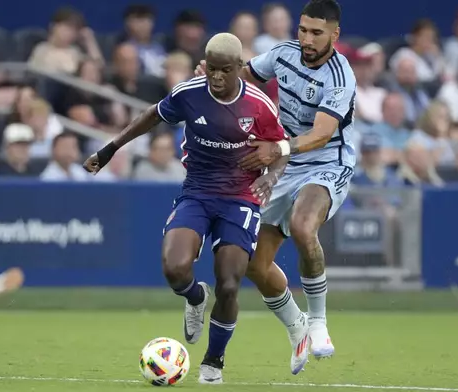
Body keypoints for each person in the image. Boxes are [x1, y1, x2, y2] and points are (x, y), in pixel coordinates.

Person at [83, 33, 289, 385]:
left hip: (241, 198)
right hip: (196, 192)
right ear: (205, 65)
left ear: (240, 68)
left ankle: (213, 361)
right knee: (175, 269)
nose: (218, 77)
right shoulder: (188, 93)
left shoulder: (258, 104)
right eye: (212, 69)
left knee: (229, 282)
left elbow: (281, 147)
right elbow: (152, 115)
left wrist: (272, 177)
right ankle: (195, 297)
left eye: (226, 70)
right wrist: (110, 149)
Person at [195, 0, 356, 374]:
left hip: (326, 162)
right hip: (283, 164)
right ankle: (296, 325)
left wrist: (277, 147)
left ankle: (318, 322)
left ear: (334, 34)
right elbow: (246, 76)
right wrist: (214, 76)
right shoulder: (283, 55)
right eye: (302, 30)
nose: (307, 39)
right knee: (252, 262)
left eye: (316, 32)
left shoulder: (340, 75)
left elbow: (320, 134)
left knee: (302, 226)